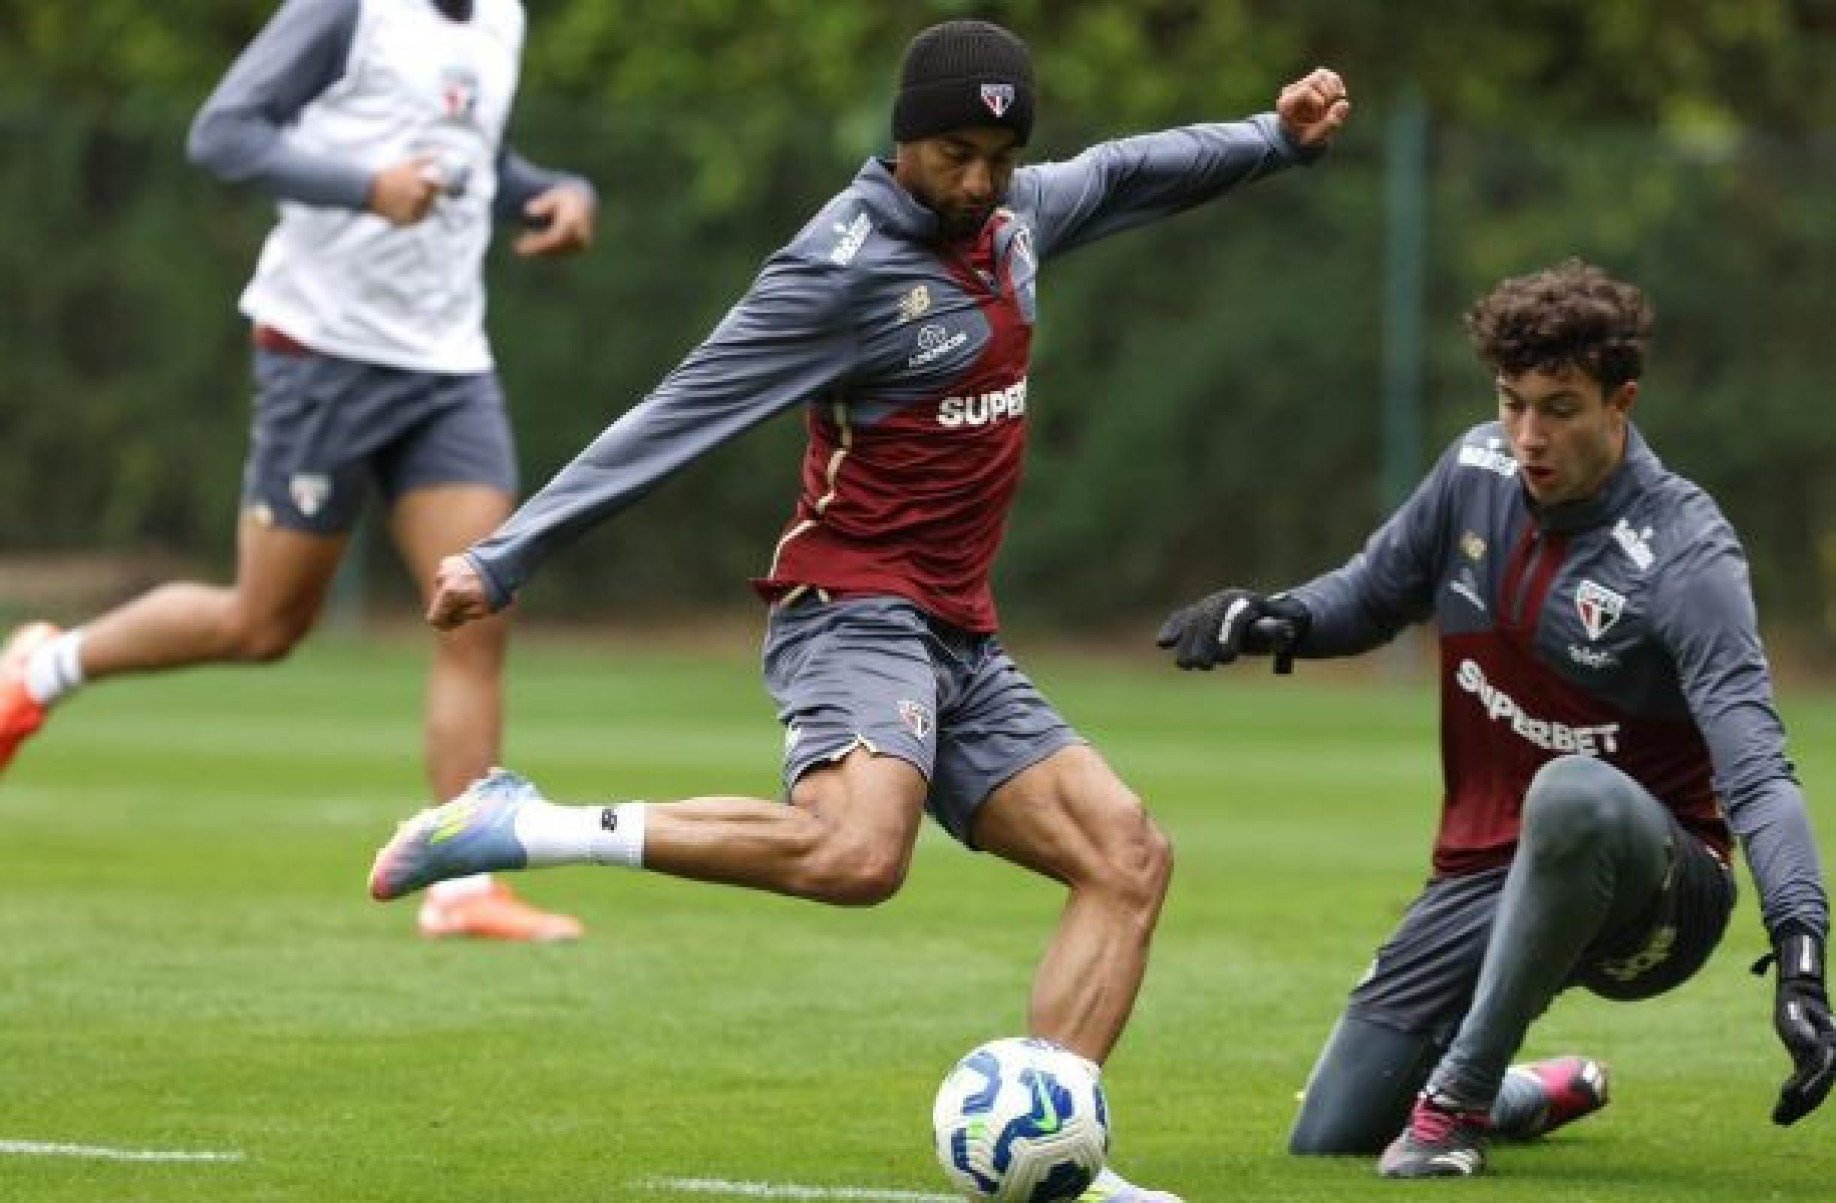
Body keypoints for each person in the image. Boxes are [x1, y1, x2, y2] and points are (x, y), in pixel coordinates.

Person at [363, 18, 1348, 1201]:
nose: (976, 179)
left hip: (959, 633)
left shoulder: (1016, 216)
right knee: (856, 852)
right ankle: (531, 823)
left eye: (998, 153)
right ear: (901, 139)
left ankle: (1057, 1158)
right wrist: (508, 554)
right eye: (950, 153)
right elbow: (680, 411)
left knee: (1127, 856)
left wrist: (1272, 139)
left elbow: (1131, 170)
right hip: (850, 607)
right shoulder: (835, 273)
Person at [1156, 259, 1836, 1178]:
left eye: (1558, 408)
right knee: (1332, 1131)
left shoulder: (1684, 553)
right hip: (1488, 869)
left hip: (1657, 893)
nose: (1527, 435)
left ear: (1620, 402)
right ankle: (1523, 1090)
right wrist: (1267, 617)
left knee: (1573, 795)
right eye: (1512, 401)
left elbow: (1758, 771)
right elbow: (1368, 595)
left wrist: (1800, 958)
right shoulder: (1473, 470)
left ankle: (1459, 1105)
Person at [0, 0, 597, 942]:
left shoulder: (501, 20)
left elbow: (473, 156)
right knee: (264, 621)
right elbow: (223, 134)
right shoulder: (347, 11)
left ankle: (463, 886)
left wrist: (556, 191)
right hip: (322, 353)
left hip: (447, 365)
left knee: (478, 605)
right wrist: (364, 187)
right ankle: (44, 666)